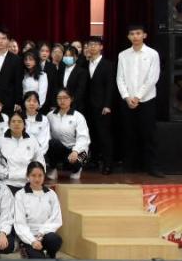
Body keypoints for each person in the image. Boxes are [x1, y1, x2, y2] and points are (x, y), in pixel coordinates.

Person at [116, 24, 162, 177]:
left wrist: (138, 97)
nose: (135, 36)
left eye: (138, 33)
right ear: (128, 37)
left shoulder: (152, 54)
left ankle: (152, 167)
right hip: (128, 101)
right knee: (128, 134)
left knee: (149, 135)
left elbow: (153, 78)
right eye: (132, 34)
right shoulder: (123, 55)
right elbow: (120, 78)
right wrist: (127, 97)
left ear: (144, 35)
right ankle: (129, 166)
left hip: (147, 100)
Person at [14, 161, 63, 259]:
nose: (37, 179)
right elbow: (20, 223)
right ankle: (26, 250)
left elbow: (56, 219)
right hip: (29, 237)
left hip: (45, 234)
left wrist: (41, 233)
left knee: (55, 240)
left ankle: (50, 255)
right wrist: (32, 241)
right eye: (33, 175)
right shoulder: (20, 195)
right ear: (27, 176)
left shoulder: (51, 194)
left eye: (40, 175)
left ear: (44, 176)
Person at [84, 36, 115, 174]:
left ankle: (108, 164)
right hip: (88, 106)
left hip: (102, 107)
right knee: (91, 135)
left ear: (101, 47)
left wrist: (107, 105)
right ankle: (93, 161)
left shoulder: (108, 64)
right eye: (90, 44)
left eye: (95, 44)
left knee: (104, 136)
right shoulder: (85, 64)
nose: (92, 47)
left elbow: (110, 86)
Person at [46, 88, 90, 181]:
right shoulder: (50, 115)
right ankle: (53, 168)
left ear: (71, 99)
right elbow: (46, 134)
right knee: (52, 143)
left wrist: (75, 151)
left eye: (65, 98)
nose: (62, 101)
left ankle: (77, 170)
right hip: (60, 149)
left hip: (77, 150)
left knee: (82, 157)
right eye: (59, 98)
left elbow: (83, 138)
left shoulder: (78, 116)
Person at [60, 46, 90, 116]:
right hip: (61, 105)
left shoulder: (82, 72)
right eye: (66, 55)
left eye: (70, 56)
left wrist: (69, 101)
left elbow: (80, 90)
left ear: (76, 57)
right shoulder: (61, 70)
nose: (67, 58)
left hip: (76, 106)